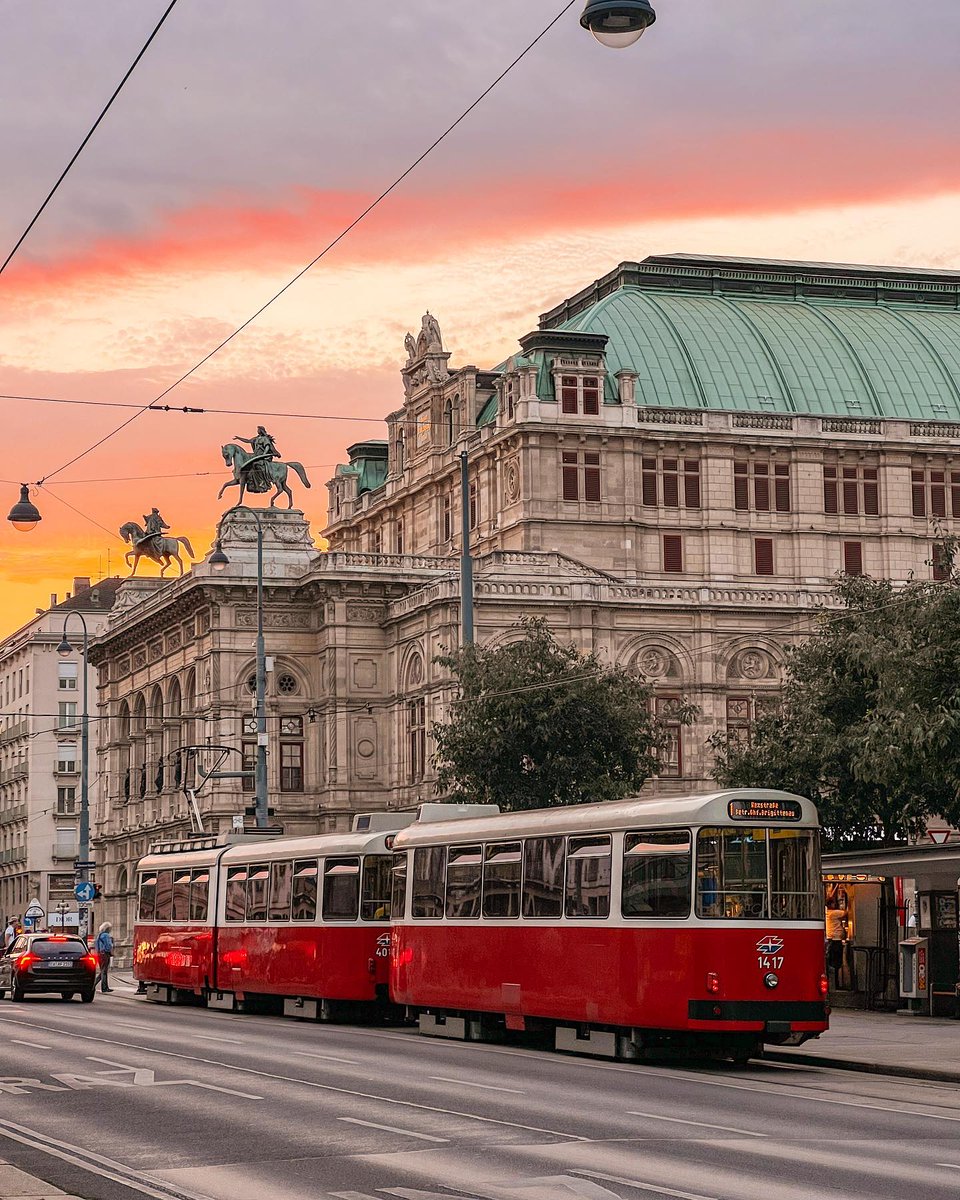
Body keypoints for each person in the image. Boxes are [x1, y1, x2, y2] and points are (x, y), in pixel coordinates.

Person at [234, 426, 279, 492]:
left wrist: (264, 454)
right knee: (248, 465)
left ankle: (262, 482)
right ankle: (251, 483)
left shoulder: (264, 438)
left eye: (258, 429)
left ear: (261, 430)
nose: (257, 431)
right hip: (256, 456)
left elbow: (267, 446)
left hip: (263, 456)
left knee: (256, 465)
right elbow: (248, 441)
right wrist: (238, 438)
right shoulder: (256, 438)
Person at [95, 922, 114, 993]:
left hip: (100, 954)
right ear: (107, 929)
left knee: (102, 971)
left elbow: (97, 946)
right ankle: (104, 987)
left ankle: (93, 985)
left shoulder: (99, 936)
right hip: (105, 954)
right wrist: (110, 951)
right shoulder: (106, 935)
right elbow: (108, 945)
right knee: (104, 971)